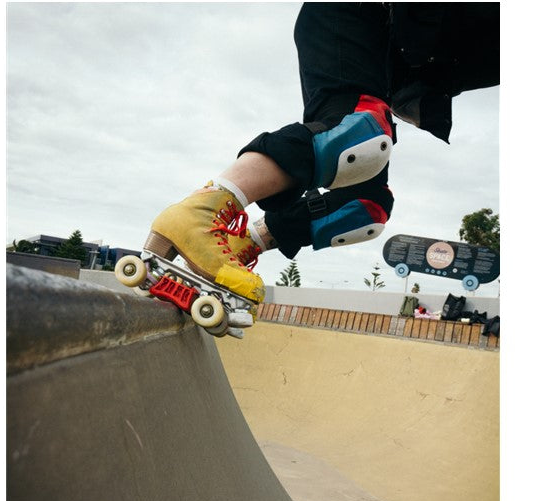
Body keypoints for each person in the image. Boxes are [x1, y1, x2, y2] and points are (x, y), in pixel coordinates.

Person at [145, 2, 500, 305]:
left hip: (384, 60)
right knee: (356, 140)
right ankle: (200, 212)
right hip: (350, 13)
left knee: (364, 208)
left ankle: (243, 244)